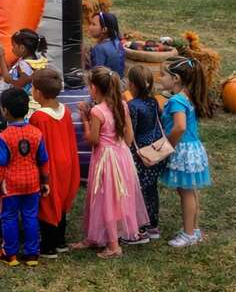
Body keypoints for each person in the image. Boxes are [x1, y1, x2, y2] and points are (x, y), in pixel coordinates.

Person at [74, 67, 149, 259]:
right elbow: (129, 137)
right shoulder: (122, 105)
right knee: (114, 198)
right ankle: (93, 237)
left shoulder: (97, 111)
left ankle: (114, 246)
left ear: (94, 88)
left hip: (106, 161)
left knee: (105, 199)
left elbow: (93, 139)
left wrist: (84, 119)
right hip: (122, 155)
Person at [0, 88, 50, 267]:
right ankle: (32, 254)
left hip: (10, 186)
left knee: (9, 217)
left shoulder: (3, 137)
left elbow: (0, 163)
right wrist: (45, 181)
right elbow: (44, 159)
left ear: (5, 111)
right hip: (32, 184)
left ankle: (10, 254)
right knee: (31, 216)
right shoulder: (36, 133)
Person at [161, 56, 212, 247]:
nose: (160, 79)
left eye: (163, 75)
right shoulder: (187, 96)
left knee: (186, 192)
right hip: (192, 147)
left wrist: (167, 145)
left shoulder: (176, 100)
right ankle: (194, 229)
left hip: (183, 149)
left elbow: (180, 127)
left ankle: (189, 234)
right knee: (190, 191)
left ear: (175, 79)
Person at [28, 68, 78, 259]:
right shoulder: (65, 111)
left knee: (48, 200)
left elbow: (35, 145)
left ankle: (48, 246)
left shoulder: (38, 117)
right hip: (67, 161)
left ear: (38, 93)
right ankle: (60, 241)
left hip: (50, 164)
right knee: (62, 198)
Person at [126, 66, 167, 241]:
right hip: (156, 149)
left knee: (139, 189)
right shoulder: (153, 101)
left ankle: (141, 226)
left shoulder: (132, 106)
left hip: (141, 153)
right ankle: (153, 226)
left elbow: (131, 131)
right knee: (151, 189)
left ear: (132, 85)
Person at [85, 10, 125, 76]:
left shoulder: (99, 49)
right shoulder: (118, 42)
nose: (90, 27)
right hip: (119, 82)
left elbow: (96, 75)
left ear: (104, 29)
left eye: (93, 24)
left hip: (106, 84)